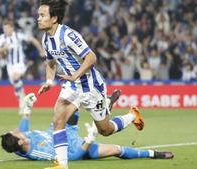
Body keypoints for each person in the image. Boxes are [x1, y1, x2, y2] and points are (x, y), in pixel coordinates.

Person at [36, 1, 144, 168]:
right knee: (58, 118)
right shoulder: (46, 40)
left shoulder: (68, 35)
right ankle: (62, 165)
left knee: (105, 130)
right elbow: (50, 62)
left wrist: (75, 75)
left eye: (42, 15)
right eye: (38, 15)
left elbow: (91, 57)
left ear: (54, 18)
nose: (38, 19)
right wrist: (49, 81)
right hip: (72, 86)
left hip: (91, 86)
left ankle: (132, 116)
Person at [0, 93, 174, 163]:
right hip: (76, 147)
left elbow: (23, 128)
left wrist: (27, 110)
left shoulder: (20, 141)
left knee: (73, 101)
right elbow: (73, 157)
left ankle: (106, 109)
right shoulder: (39, 153)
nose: (17, 130)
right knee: (116, 150)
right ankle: (153, 153)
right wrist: (90, 138)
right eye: (16, 133)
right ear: (21, 141)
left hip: (62, 129)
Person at [0, 19, 44, 114]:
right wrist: (3, 48)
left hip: (20, 62)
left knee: (15, 77)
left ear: (12, 28)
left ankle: (23, 102)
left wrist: (41, 50)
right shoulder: (2, 38)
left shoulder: (18, 35)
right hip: (10, 65)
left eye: (7, 29)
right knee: (15, 83)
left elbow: (32, 39)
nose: (5, 31)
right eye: (4, 29)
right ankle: (24, 101)